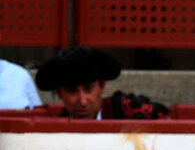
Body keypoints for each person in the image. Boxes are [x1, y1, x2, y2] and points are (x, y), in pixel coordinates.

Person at [34, 46, 168, 120]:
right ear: (59, 93)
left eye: (88, 89)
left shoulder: (129, 111)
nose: (83, 101)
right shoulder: (56, 132)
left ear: (102, 85)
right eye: (72, 91)